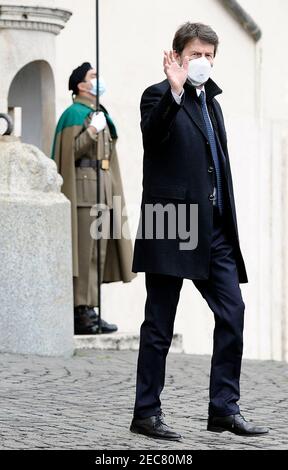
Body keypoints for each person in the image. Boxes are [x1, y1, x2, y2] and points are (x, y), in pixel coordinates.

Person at [130, 23, 269, 440]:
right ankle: (146, 412)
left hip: (215, 229)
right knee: (159, 323)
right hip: (171, 224)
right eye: (195, 54)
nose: (203, 61)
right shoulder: (158, 95)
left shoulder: (213, 102)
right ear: (176, 56)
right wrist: (174, 93)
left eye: (209, 54)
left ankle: (224, 408)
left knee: (233, 312)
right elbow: (153, 138)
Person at [51, 62, 136, 335]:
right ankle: (79, 309)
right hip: (84, 191)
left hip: (103, 189)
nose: (98, 80)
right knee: (84, 253)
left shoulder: (98, 114)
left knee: (98, 252)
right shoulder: (75, 115)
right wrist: (91, 131)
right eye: (93, 76)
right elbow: (71, 152)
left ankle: (91, 308)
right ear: (81, 85)